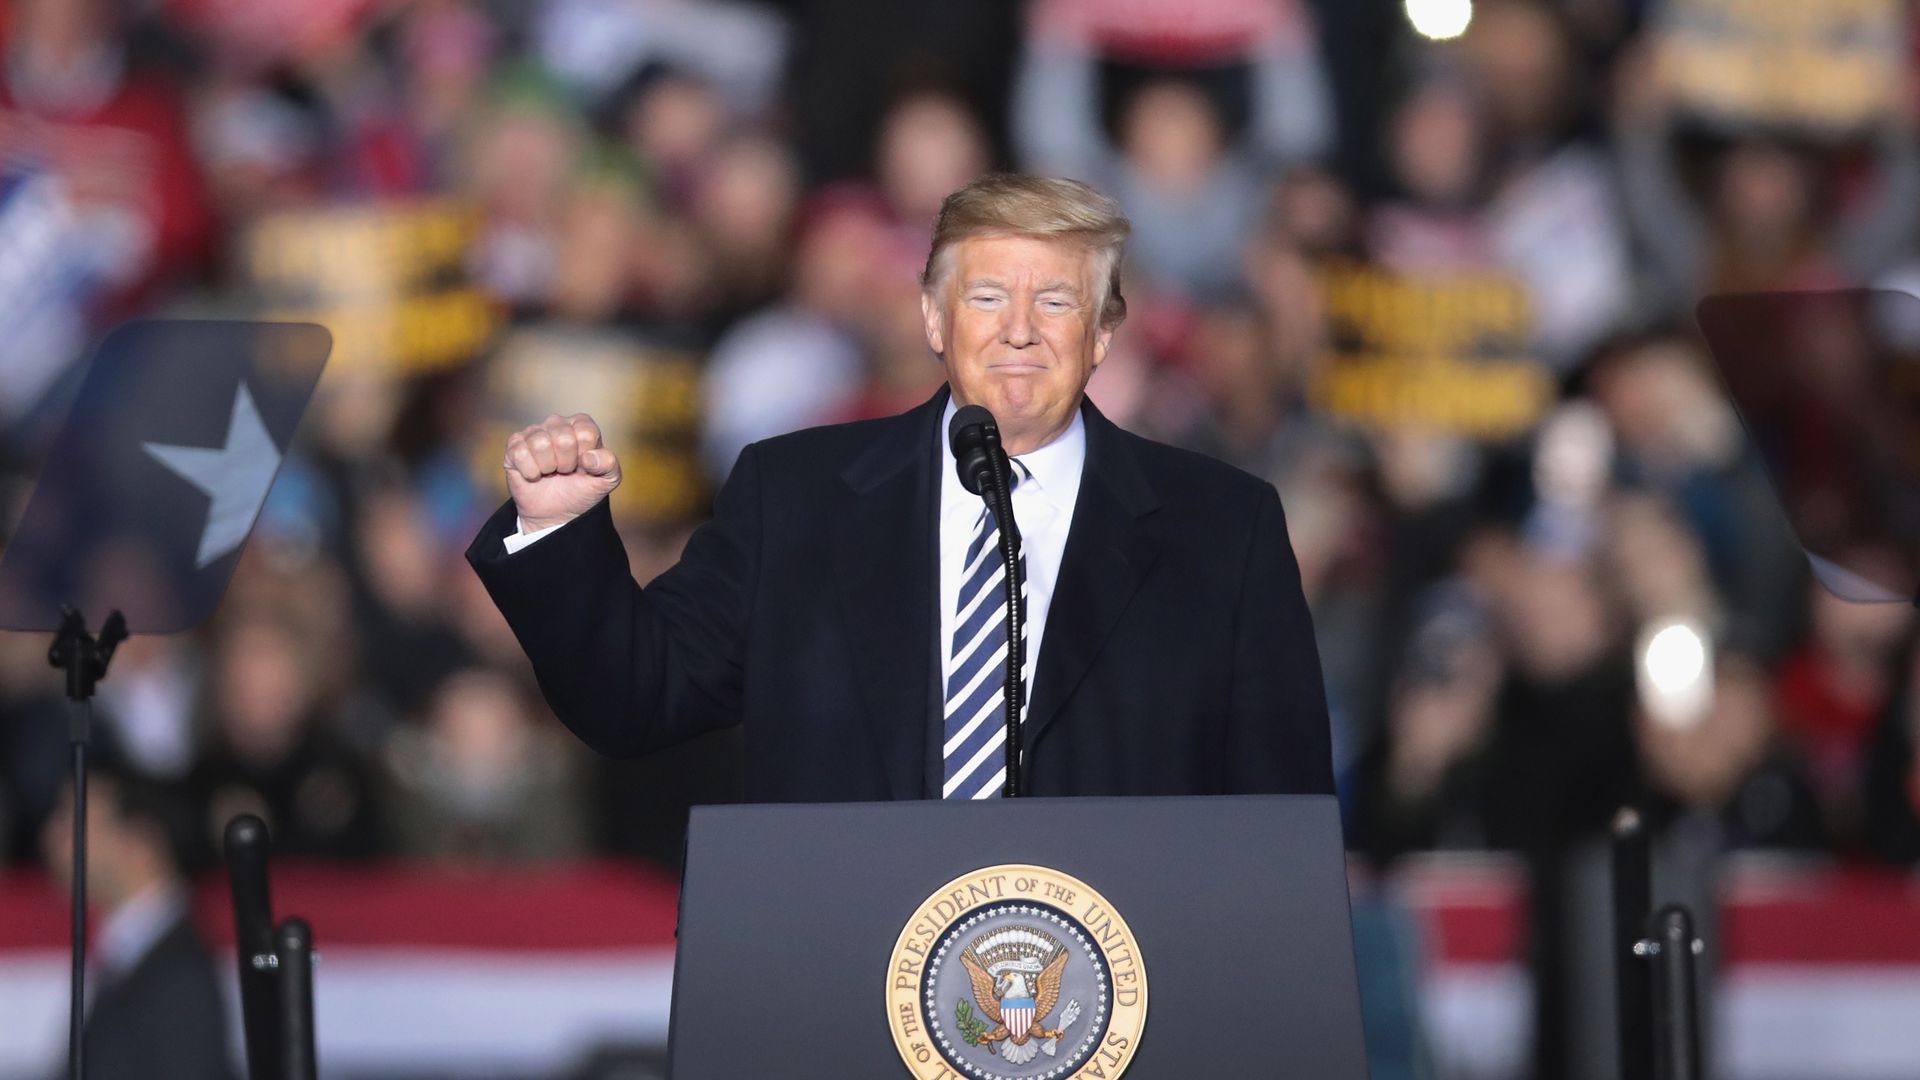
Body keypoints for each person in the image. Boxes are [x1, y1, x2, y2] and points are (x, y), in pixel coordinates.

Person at [466, 173, 1332, 800]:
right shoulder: (793, 498)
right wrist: (559, 536)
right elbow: (635, 698)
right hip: (846, 1000)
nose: (1020, 331)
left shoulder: (1224, 527)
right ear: (931, 317)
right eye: (988, 295)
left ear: (1105, 331)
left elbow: (1279, 815)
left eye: (1059, 303)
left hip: (1127, 1018)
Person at [40, 764, 234, 1080]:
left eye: (74, 820)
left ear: (142, 842)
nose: (51, 836)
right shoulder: (133, 957)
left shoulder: (180, 976)